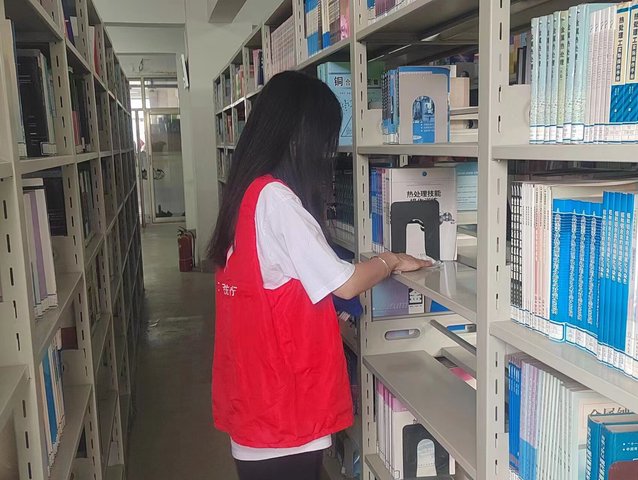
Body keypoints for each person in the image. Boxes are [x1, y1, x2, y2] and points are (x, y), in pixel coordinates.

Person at [208, 71, 431, 480]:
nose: (328, 154)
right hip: (282, 416)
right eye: (325, 140)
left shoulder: (246, 193)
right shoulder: (277, 201)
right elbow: (345, 282)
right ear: (301, 139)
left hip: (256, 406)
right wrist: (392, 261)